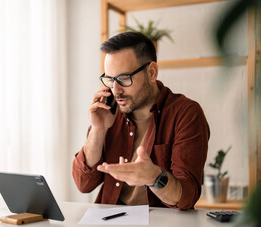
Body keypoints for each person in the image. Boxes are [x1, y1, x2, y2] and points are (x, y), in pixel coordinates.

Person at [72, 32, 210, 210]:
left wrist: (155, 177)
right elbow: (83, 184)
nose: (116, 90)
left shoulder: (186, 114)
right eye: (110, 79)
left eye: (123, 78)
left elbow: (187, 197)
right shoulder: (109, 112)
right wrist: (98, 130)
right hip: (109, 223)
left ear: (152, 72)